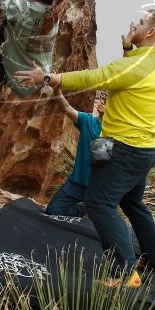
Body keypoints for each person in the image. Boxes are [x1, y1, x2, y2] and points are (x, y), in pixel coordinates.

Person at [14, 9, 155, 288]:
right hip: (145, 150)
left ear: (151, 32)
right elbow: (129, 71)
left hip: (123, 150)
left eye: (140, 23)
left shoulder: (135, 68)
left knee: (99, 203)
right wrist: (128, 47)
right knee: (133, 204)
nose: (133, 25)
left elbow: (96, 77)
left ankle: (126, 274)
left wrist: (49, 78)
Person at [45, 89, 105, 218]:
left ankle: (90, 206)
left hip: (98, 189)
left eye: (108, 100)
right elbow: (66, 108)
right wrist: (56, 90)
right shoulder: (87, 121)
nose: (103, 102)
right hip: (76, 183)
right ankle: (81, 209)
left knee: (99, 221)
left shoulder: (117, 133)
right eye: (103, 98)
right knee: (52, 211)